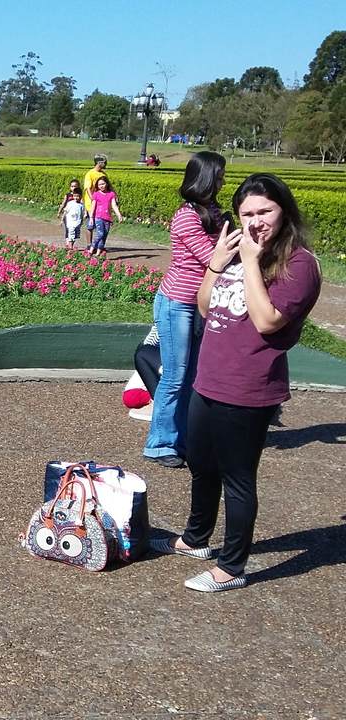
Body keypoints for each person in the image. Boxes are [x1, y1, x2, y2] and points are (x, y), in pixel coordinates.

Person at [152, 174, 321, 593]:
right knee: (201, 466)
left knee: (237, 477)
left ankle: (232, 567)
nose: (255, 222)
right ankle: (196, 539)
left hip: (248, 387)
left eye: (265, 211)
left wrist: (249, 261)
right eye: (247, 213)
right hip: (209, 378)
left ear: (284, 210)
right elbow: (207, 308)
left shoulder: (299, 264)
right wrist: (216, 263)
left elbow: (266, 321)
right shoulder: (238, 252)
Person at [143, 151, 228, 469]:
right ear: (205, 177)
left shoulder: (214, 212)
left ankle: (183, 439)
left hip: (203, 303)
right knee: (175, 376)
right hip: (176, 302)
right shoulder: (186, 216)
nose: (222, 180)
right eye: (219, 175)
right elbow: (212, 257)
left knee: (193, 375)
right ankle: (160, 443)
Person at [88, 177, 123, 256]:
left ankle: (98, 253)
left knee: (104, 236)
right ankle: (91, 250)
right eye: (99, 184)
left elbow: (114, 205)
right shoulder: (96, 194)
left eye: (103, 184)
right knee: (100, 234)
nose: (101, 186)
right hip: (98, 217)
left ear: (107, 184)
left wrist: (119, 215)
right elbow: (93, 206)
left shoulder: (111, 194)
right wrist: (91, 218)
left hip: (107, 218)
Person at [82, 154, 109, 249]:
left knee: (100, 225)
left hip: (102, 204)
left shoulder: (103, 174)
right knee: (91, 224)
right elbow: (88, 188)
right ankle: (89, 245)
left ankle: (98, 245)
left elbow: (109, 187)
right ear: (99, 163)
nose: (106, 164)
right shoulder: (90, 174)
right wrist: (93, 199)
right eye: (104, 162)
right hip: (91, 204)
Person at [56, 178, 84, 250]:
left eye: (75, 186)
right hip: (68, 216)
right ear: (70, 187)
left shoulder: (80, 196)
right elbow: (63, 204)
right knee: (68, 229)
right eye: (72, 186)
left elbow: (83, 206)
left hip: (77, 217)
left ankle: (70, 243)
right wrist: (59, 212)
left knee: (74, 231)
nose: (73, 188)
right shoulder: (68, 195)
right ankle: (68, 244)